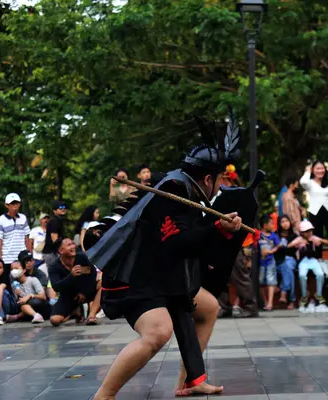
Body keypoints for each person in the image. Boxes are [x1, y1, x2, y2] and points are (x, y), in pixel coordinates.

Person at [92, 133, 244, 399]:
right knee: (158, 332)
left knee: (208, 307)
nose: (221, 186)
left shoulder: (186, 191)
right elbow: (178, 243)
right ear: (208, 179)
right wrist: (218, 227)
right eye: (221, 179)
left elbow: (191, 242)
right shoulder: (172, 192)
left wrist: (221, 231)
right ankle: (104, 395)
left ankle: (190, 381)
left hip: (162, 275)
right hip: (134, 278)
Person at [49, 239, 102, 326]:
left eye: (73, 244)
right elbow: (56, 287)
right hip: (69, 296)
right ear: (61, 251)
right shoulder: (54, 267)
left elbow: (91, 275)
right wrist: (71, 276)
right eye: (69, 245)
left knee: (102, 283)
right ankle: (74, 312)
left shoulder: (81, 258)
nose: (73, 247)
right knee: (54, 320)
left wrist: (84, 292)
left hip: (86, 291)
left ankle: (92, 315)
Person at [289, 220, 328, 313]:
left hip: (313, 260)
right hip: (303, 261)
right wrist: (299, 244)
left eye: (310, 230)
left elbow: (327, 242)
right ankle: (304, 295)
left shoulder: (314, 238)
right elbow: (289, 246)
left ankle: (318, 294)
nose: (309, 233)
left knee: (320, 274)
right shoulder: (299, 239)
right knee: (302, 275)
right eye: (307, 231)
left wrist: (320, 240)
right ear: (302, 232)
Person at [300, 161, 328, 256]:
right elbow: (303, 182)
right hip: (315, 211)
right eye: (317, 168)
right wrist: (307, 171)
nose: (320, 171)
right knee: (315, 236)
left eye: (322, 168)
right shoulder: (310, 183)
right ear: (313, 170)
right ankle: (316, 257)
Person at [0, 193, 31, 275]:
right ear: (6, 205)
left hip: (22, 257)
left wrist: (29, 253)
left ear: (20, 204)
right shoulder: (0, 220)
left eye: (16, 203)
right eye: (12, 204)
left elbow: (27, 238)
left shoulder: (23, 218)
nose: (14, 206)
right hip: (7, 258)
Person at [258, 215, 280, 311]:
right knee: (261, 282)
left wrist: (270, 252)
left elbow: (278, 245)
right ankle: (265, 302)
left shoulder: (274, 236)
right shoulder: (258, 235)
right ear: (265, 225)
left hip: (270, 261)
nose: (273, 225)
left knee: (271, 281)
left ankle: (270, 303)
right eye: (271, 223)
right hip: (260, 262)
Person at [276, 215, 298, 309]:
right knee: (289, 272)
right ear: (279, 224)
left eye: (287, 221)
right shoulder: (275, 235)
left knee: (288, 266)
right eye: (283, 222)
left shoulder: (294, 236)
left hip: (291, 259)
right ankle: (291, 300)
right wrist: (284, 249)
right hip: (278, 261)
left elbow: (291, 252)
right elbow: (277, 251)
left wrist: (281, 248)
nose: (285, 224)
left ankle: (283, 292)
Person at [0, 258, 21, 325]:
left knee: (2, 292)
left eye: (0, 267)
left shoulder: (5, 277)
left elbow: (0, 288)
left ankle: (0, 317)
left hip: (10, 305)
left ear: (3, 269)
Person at [42, 200, 68, 267]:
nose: (63, 209)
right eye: (60, 207)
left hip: (54, 252)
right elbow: (55, 240)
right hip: (51, 253)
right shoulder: (54, 221)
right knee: (54, 273)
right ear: (54, 210)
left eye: (64, 207)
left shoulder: (59, 220)